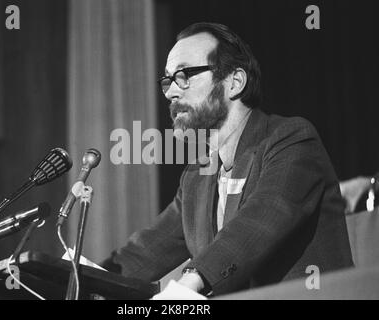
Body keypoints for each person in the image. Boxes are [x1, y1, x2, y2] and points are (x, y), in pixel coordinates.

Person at [101, 22, 354, 298]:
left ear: (234, 82)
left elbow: (258, 222)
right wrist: (78, 276)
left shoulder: (292, 140)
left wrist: (187, 287)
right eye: (168, 80)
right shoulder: (197, 175)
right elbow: (145, 251)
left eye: (184, 75)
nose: (172, 92)